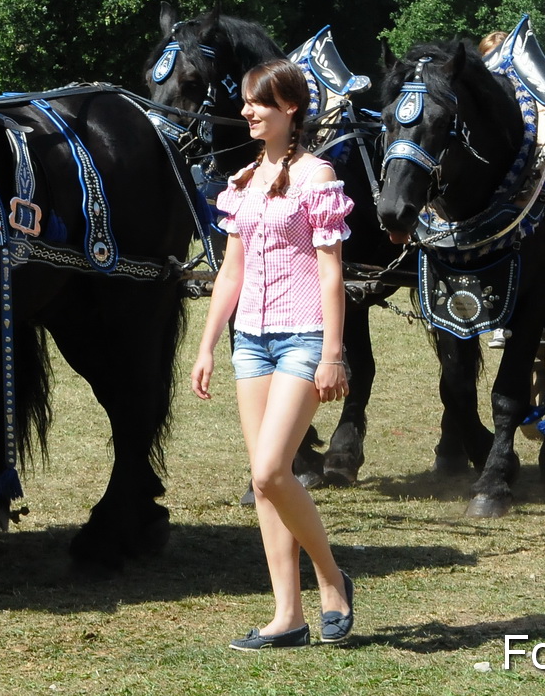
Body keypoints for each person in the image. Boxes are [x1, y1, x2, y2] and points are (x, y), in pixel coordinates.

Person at [190, 59, 355, 650]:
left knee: (270, 471)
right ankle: (287, 615)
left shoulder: (317, 177)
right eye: (244, 102)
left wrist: (333, 353)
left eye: (258, 102)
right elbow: (230, 272)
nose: (247, 112)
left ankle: (332, 581)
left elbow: (332, 274)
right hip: (250, 344)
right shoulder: (239, 183)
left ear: (289, 107)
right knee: (265, 484)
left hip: (303, 336)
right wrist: (208, 344)